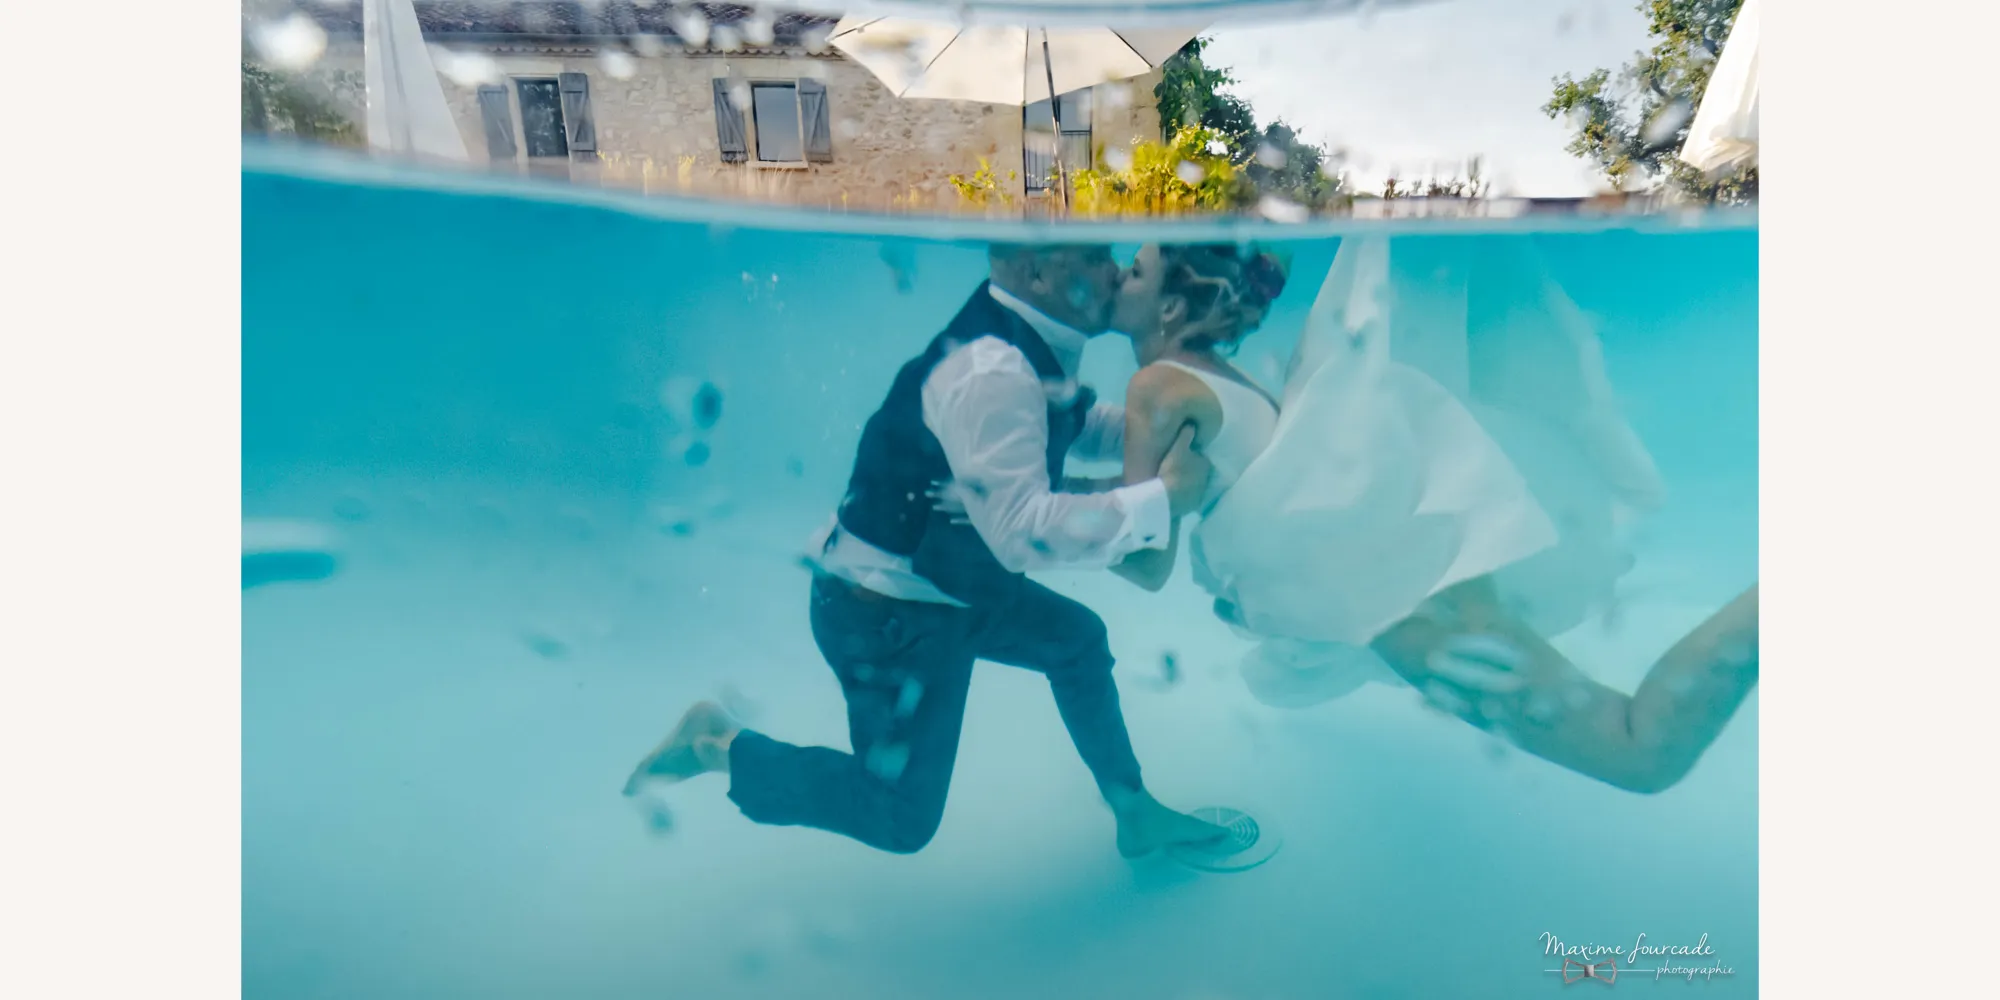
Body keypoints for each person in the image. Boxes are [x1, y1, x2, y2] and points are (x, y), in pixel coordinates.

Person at [623, 243, 1229, 857]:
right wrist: (1161, 499)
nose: (1117, 270)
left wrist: (1161, 427)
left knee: (1076, 643)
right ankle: (718, 744)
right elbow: (1022, 531)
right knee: (901, 820)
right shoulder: (990, 372)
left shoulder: (1033, 343)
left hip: (954, 584)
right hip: (882, 615)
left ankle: (1134, 812)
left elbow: (1064, 425)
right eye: (1097, 254)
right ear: (1039, 272)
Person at [1110, 237, 1758, 794]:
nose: (1115, 275)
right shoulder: (1218, 377)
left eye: (1133, 270)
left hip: (1384, 584)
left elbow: (1144, 562)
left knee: (1636, 753)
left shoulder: (1156, 388)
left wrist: (1059, 507)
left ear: (1169, 306)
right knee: (1282, 679)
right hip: (1378, 556)